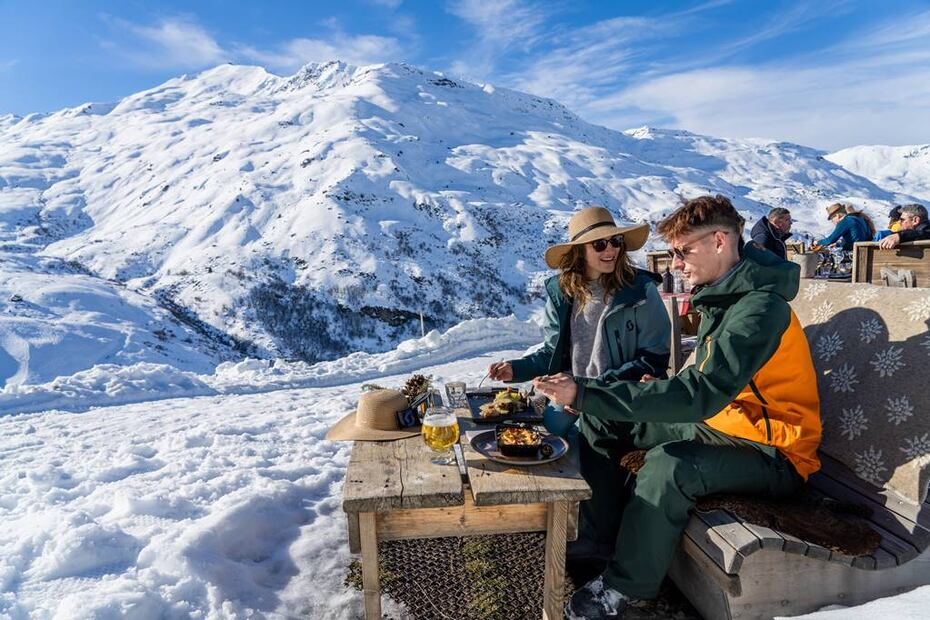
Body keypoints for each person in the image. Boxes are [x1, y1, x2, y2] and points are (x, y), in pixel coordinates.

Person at [533, 195, 821, 620]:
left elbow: (700, 393)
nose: (676, 264)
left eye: (683, 251)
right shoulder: (724, 298)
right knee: (601, 421)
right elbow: (709, 383)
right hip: (725, 423)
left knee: (668, 465)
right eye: (673, 253)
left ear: (719, 241)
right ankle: (601, 540)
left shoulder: (759, 309)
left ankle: (624, 588)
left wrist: (584, 392)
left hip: (775, 450)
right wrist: (627, 396)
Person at [487, 206, 670, 437]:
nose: (611, 249)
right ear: (579, 252)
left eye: (616, 241)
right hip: (572, 392)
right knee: (545, 432)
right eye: (599, 244)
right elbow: (552, 352)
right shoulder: (563, 294)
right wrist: (515, 369)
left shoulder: (640, 292)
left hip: (620, 394)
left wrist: (587, 393)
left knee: (582, 441)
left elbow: (653, 359)